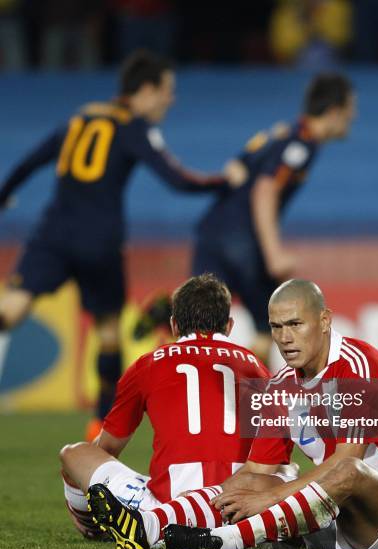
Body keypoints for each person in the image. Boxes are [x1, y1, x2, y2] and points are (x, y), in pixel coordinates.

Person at [0, 50, 226, 440]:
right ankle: (100, 425)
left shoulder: (81, 116)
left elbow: (29, 162)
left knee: (11, 309)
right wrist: (223, 180)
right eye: (167, 91)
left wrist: (3, 195)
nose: (170, 100)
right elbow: (176, 179)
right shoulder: (133, 126)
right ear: (147, 89)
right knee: (106, 329)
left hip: (53, 232)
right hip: (100, 240)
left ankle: (100, 423)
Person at [163, 279, 378, 549]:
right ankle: (162, 529)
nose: (285, 338)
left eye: (295, 324)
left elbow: (347, 459)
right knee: (253, 482)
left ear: (325, 320)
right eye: (276, 327)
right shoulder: (280, 386)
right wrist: (205, 501)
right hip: (335, 514)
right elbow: (256, 471)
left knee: (349, 471)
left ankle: (228, 539)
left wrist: (270, 498)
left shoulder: (357, 367)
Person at [59, 273, 294, 549]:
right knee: (286, 471)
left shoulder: (147, 365)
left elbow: (108, 448)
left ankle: (95, 526)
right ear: (229, 326)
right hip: (238, 504)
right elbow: (273, 455)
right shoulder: (257, 367)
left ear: (173, 325)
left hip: (165, 504)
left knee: (74, 454)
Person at [134, 74, 356, 360]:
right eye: (351, 108)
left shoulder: (279, 133)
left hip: (213, 230)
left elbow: (236, 166)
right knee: (269, 326)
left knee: (198, 321)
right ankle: (250, 400)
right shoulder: (302, 144)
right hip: (243, 240)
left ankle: (170, 309)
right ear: (335, 111)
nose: (354, 115)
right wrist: (274, 253)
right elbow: (265, 190)